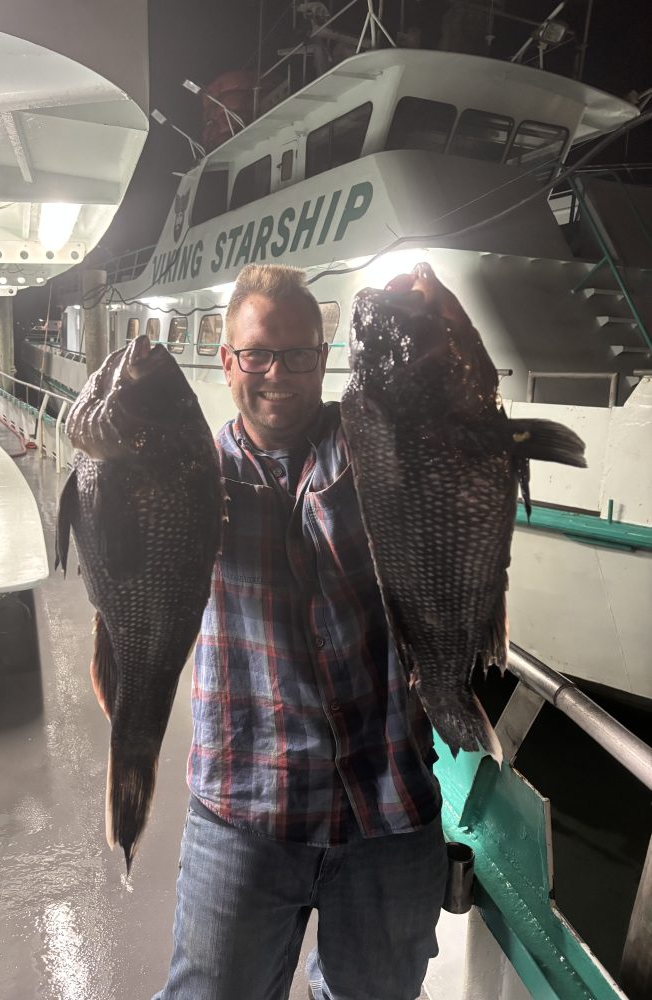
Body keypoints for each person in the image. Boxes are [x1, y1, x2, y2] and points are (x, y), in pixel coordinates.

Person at [153, 264, 447, 1000]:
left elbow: (444, 427)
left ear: (326, 357)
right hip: (246, 809)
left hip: (389, 808)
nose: (276, 373)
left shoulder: (374, 448)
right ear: (227, 361)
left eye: (299, 354)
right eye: (257, 353)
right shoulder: (190, 479)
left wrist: (436, 332)